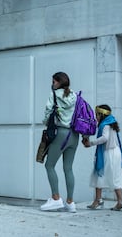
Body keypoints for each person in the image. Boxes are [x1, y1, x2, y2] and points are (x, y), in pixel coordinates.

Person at [40, 72, 79, 213]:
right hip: (74, 135)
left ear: (59, 82)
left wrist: (45, 122)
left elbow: (47, 112)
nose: (52, 84)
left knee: (49, 165)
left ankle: (56, 198)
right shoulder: (75, 96)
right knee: (68, 168)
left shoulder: (55, 95)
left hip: (61, 133)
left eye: (54, 82)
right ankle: (70, 202)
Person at [82, 104, 122, 211]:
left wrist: (91, 143)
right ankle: (118, 201)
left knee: (100, 174)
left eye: (97, 114)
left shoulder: (106, 125)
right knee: (113, 176)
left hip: (109, 153)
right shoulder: (110, 123)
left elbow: (104, 138)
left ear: (102, 115)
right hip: (115, 152)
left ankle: (100, 200)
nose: (96, 117)